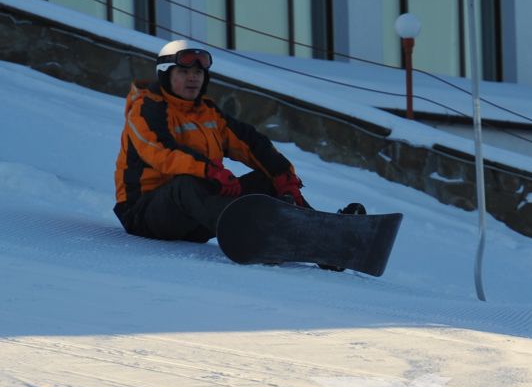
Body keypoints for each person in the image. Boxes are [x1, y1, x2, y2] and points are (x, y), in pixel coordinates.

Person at [113, 38, 363, 242]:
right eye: (184, 71)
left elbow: (250, 143)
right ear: (166, 75)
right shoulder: (146, 108)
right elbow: (162, 153)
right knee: (186, 184)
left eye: (199, 72)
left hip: (198, 217)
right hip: (144, 214)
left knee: (268, 181)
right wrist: (210, 171)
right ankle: (249, 234)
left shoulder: (207, 114)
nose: (193, 77)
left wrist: (284, 177)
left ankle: (323, 235)